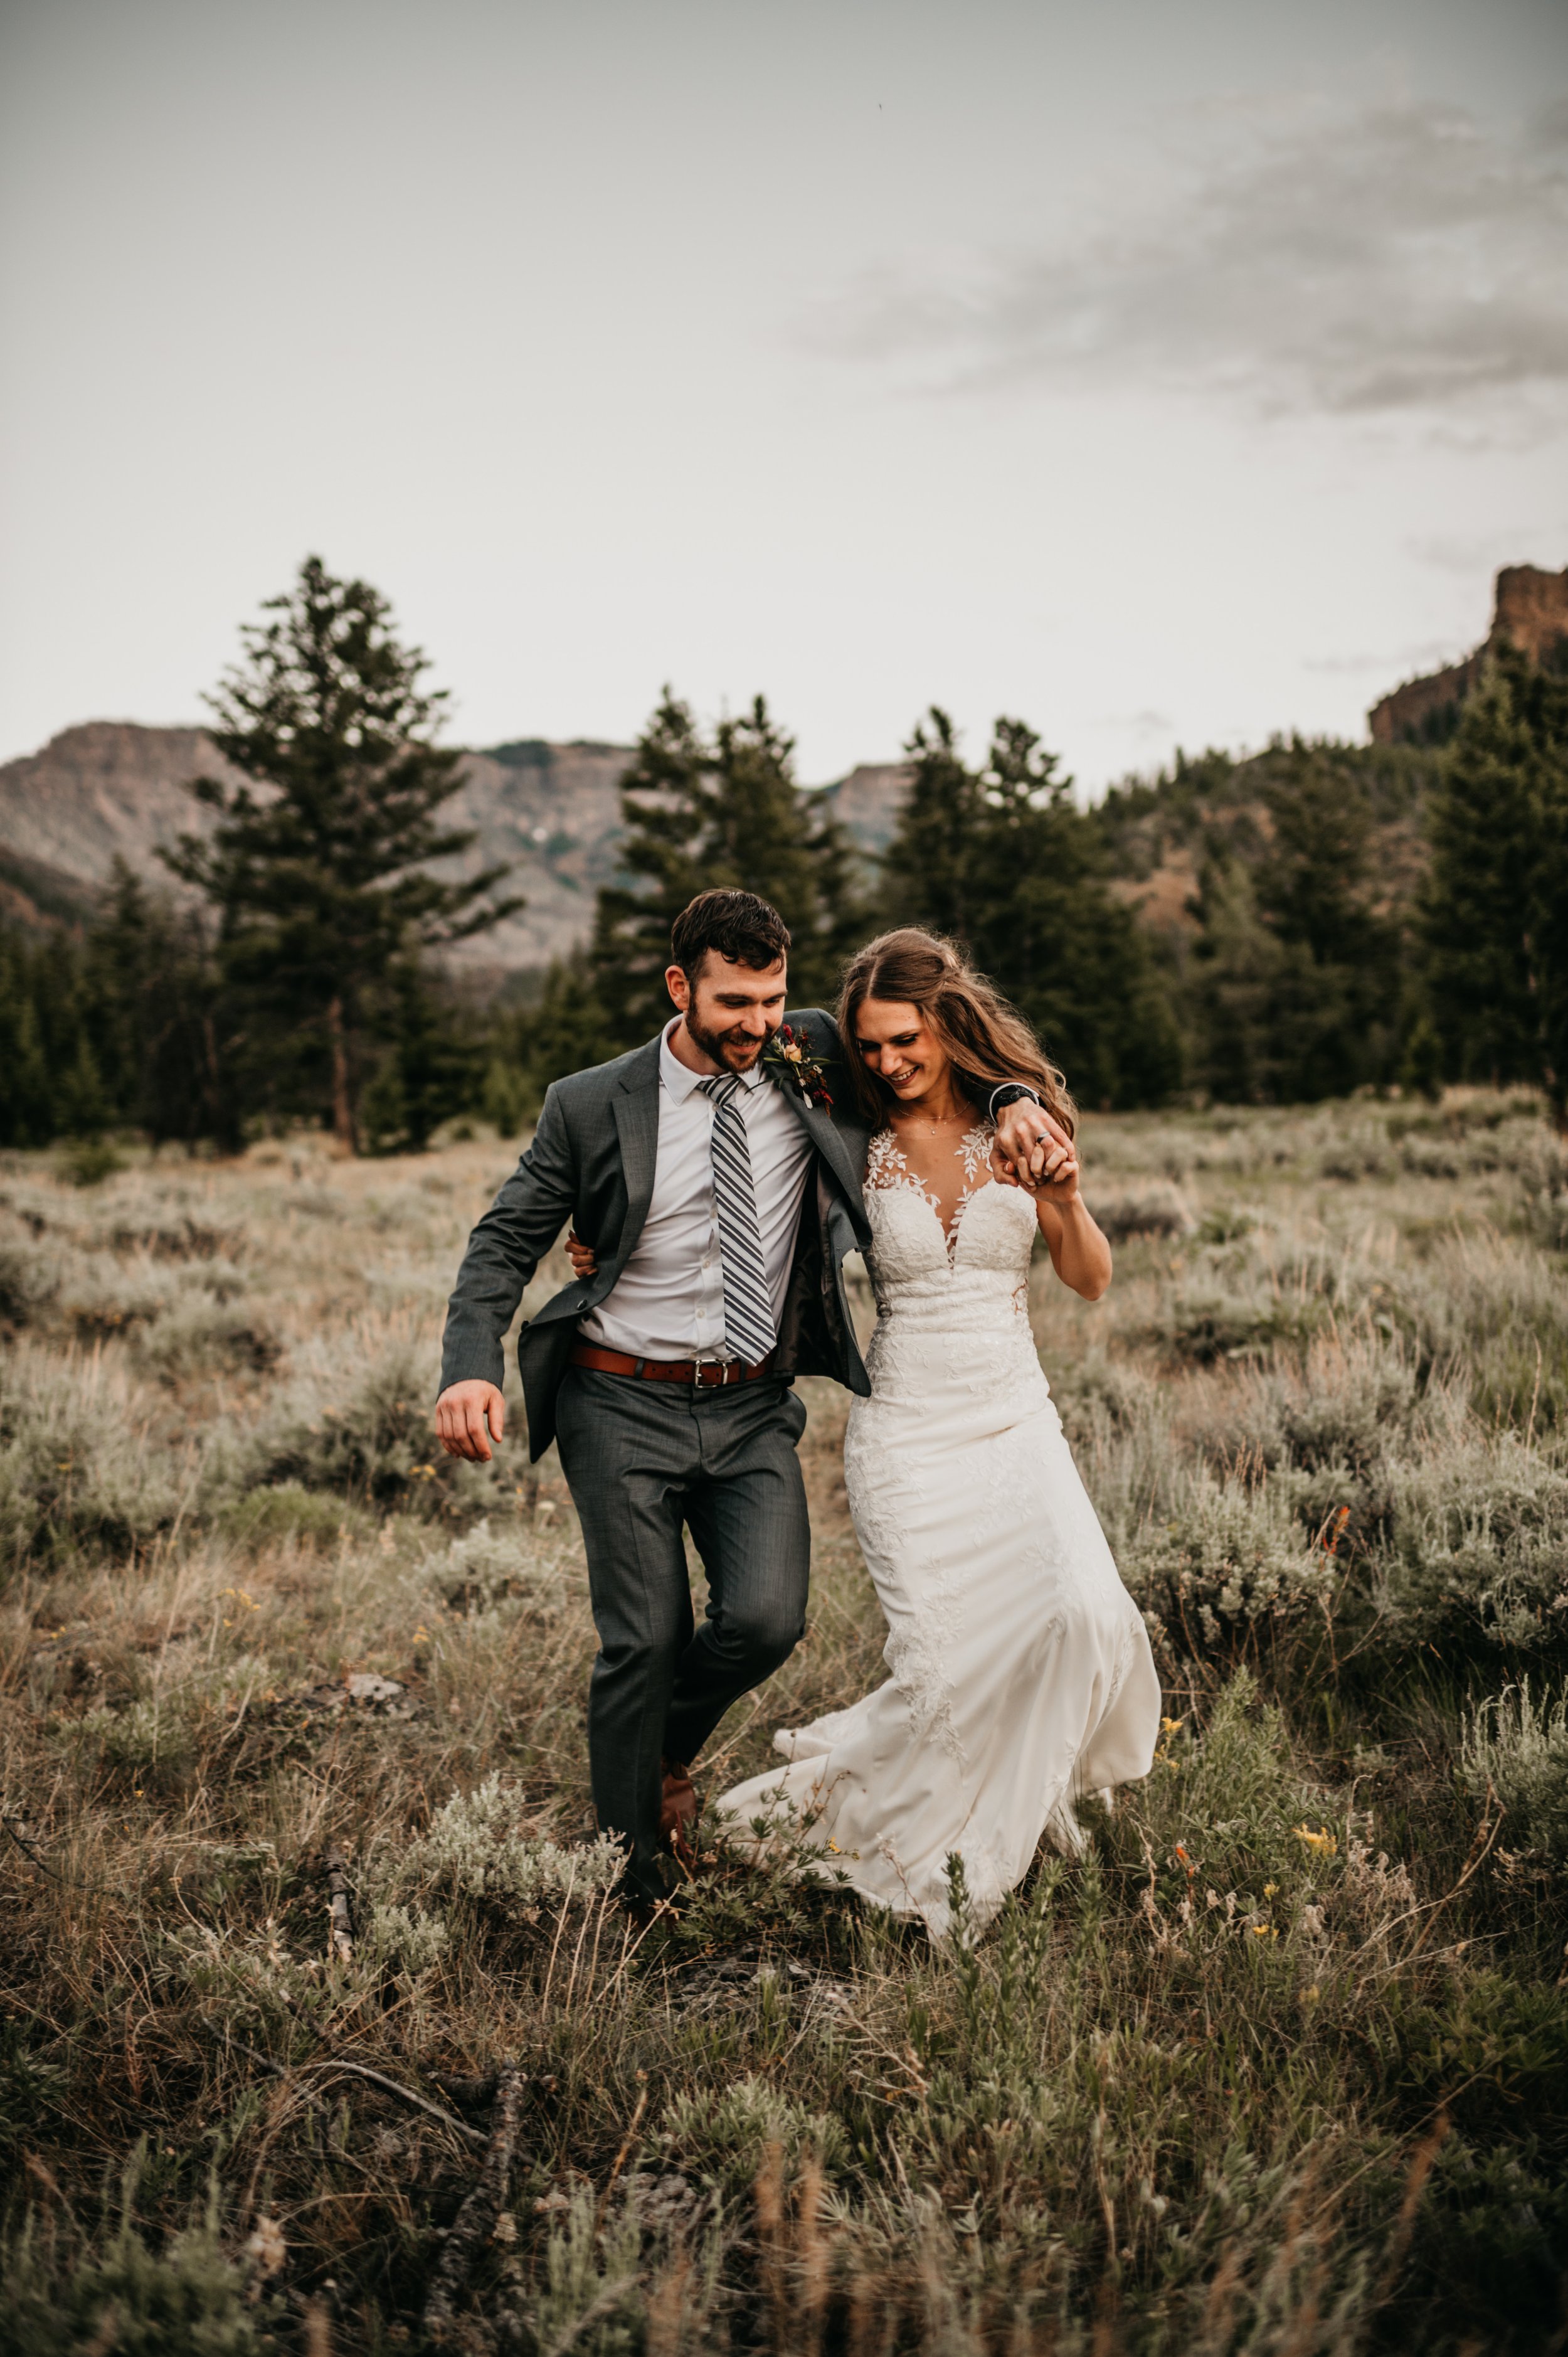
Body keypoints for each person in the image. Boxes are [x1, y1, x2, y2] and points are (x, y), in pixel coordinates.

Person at [434, 891, 1058, 1917]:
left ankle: (659, 1746)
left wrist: (1008, 1103)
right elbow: (504, 1239)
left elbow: (930, 1064)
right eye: (734, 1001)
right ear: (679, 987)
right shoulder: (590, 1102)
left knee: (769, 1617)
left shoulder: (811, 1048)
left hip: (750, 1401)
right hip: (618, 1398)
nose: (757, 1024)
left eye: (772, 999)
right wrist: (470, 1364)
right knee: (644, 1634)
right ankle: (635, 1881)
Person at [704, 927, 1161, 1937]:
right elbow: (749, 1067)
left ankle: (1009, 1816)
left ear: (950, 1023)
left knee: (1082, 1613)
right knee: (946, 1672)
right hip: (904, 1434)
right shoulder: (848, 1130)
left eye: (905, 1039)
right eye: (868, 1045)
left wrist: (1064, 1194)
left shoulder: (1026, 1127)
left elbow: (1088, 1279)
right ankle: (948, 1858)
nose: (887, 1062)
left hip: (1013, 1420)